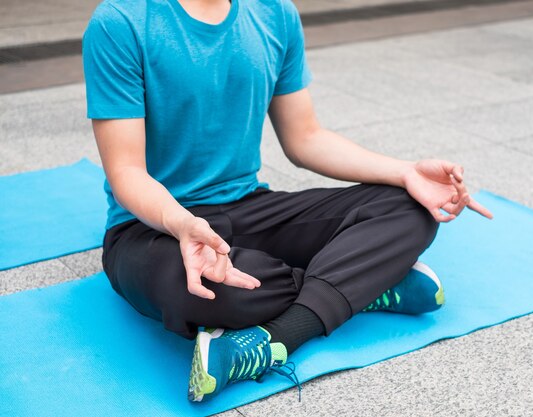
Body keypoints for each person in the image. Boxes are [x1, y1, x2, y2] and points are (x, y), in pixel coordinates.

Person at [82, 0, 492, 403]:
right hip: (152, 227)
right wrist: (180, 223)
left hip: (249, 207)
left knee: (409, 208)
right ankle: (362, 283)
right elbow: (127, 173)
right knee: (223, 290)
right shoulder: (120, 21)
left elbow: (305, 138)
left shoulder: (274, 13)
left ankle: (280, 335)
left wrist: (405, 171)